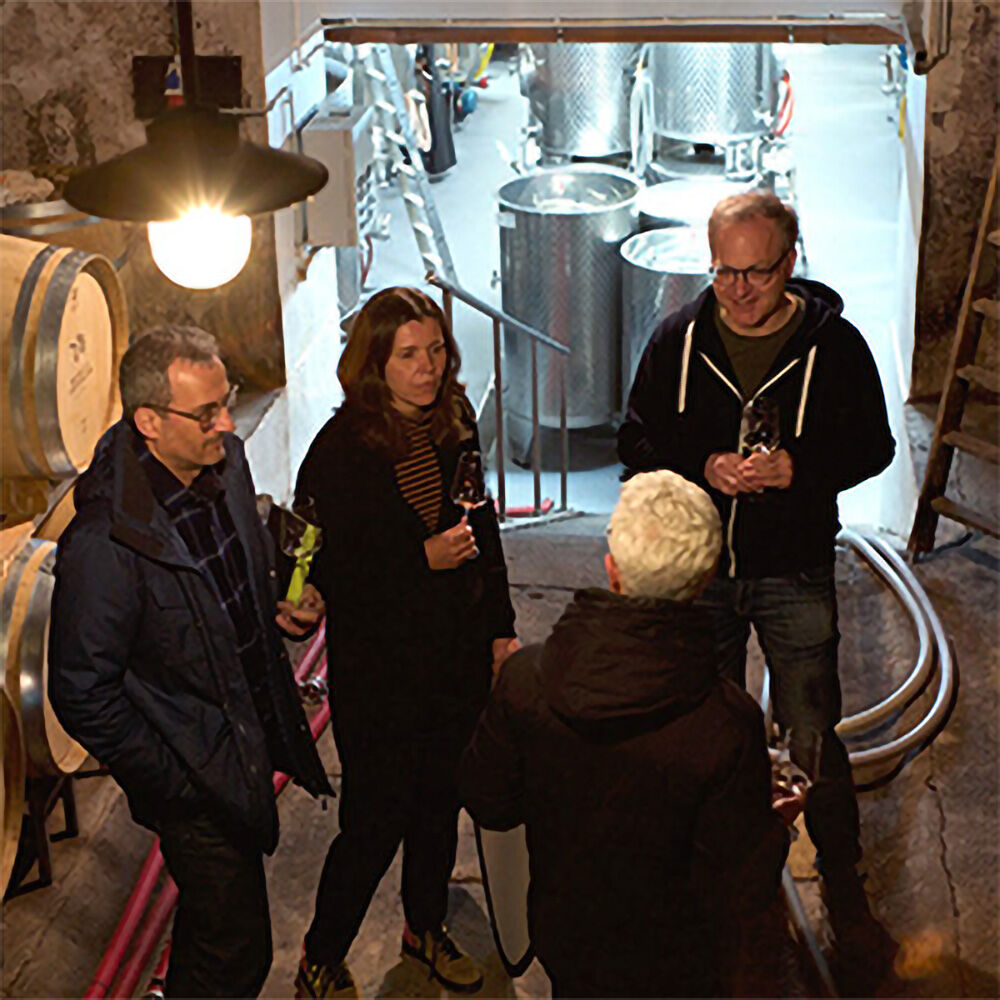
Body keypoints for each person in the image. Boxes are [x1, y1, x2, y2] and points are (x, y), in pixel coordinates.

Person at [618, 190, 897, 982]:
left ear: (791, 261)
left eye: (758, 273)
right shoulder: (678, 338)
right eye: (725, 272)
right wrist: (702, 465)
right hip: (702, 571)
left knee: (812, 741)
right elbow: (635, 435)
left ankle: (846, 903)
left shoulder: (836, 348)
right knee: (701, 739)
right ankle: (706, 900)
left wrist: (800, 470)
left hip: (792, 568)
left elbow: (874, 447)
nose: (739, 291)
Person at [48, 325, 333, 998]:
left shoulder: (225, 462)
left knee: (220, 943)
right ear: (148, 420)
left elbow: (234, 567)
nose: (228, 423)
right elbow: (83, 691)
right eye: (206, 412)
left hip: (246, 739)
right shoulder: (106, 543)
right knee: (234, 956)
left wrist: (274, 606)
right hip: (194, 777)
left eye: (226, 399)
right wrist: (174, 777)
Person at [459, 470, 797, 998]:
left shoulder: (525, 682)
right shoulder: (727, 724)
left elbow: (489, 800)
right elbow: (739, 881)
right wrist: (778, 824)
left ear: (611, 570)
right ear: (704, 579)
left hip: (568, 944)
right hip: (680, 966)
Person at [294, 287, 519, 999]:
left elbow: (484, 535)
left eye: (436, 351)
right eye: (409, 355)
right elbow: (326, 571)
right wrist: (419, 560)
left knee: (439, 807)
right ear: (375, 363)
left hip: (454, 660)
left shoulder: (456, 424)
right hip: (382, 673)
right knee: (374, 822)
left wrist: (502, 626)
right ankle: (321, 957)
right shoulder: (340, 452)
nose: (429, 368)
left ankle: (425, 929)